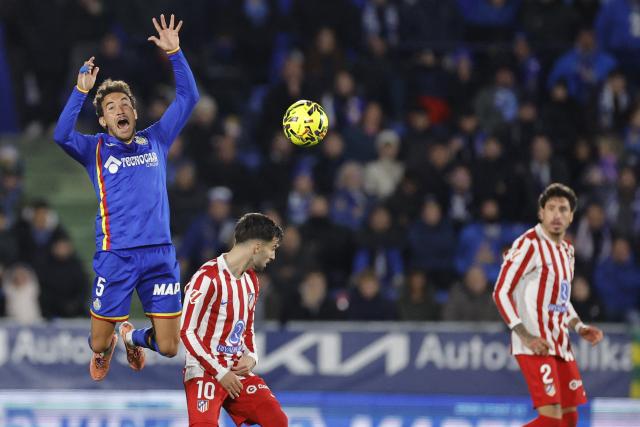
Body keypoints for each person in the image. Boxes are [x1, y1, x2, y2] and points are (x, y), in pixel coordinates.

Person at [52, 14, 199, 381]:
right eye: (111, 107)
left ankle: (133, 337)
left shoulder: (157, 139)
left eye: (125, 104)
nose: (120, 109)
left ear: (135, 111)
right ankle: (110, 345)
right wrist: (81, 92)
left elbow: (188, 97)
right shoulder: (94, 149)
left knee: (169, 347)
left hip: (159, 254)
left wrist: (175, 53)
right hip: (116, 255)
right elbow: (60, 135)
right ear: (102, 120)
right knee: (99, 344)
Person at [493, 183, 604, 427]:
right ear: (541, 213)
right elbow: (501, 292)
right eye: (551, 208)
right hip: (535, 343)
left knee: (569, 418)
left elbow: (561, 299)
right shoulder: (528, 244)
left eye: (563, 209)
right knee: (551, 421)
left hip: (560, 342)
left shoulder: (567, 251)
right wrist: (525, 335)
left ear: (571, 216)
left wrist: (578, 326)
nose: (557, 215)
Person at [180, 213, 287, 426]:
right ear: (257, 247)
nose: (273, 257)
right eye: (272, 248)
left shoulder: (252, 282)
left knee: (277, 420)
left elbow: (246, 327)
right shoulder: (207, 277)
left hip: (236, 371)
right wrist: (220, 373)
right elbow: (186, 331)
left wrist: (252, 356)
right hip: (205, 371)